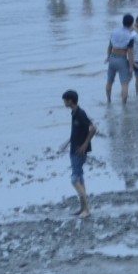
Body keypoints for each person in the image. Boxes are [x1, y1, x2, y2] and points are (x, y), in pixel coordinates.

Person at [64, 90, 96, 218]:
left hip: (79, 151)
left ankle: (87, 209)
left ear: (70, 100)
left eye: (65, 100)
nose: (64, 102)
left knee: (74, 179)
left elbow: (93, 128)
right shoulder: (74, 113)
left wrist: (84, 144)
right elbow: (76, 132)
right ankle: (83, 208)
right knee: (80, 178)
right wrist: (67, 142)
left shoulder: (80, 114)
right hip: (73, 149)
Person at [105, 15, 137, 105]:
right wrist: (131, 67)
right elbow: (130, 53)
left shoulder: (114, 31)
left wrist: (108, 56)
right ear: (131, 23)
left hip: (112, 58)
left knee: (109, 81)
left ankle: (108, 100)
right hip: (122, 59)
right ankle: (124, 105)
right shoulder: (130, 36)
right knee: (124, 83)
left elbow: (110, 46)